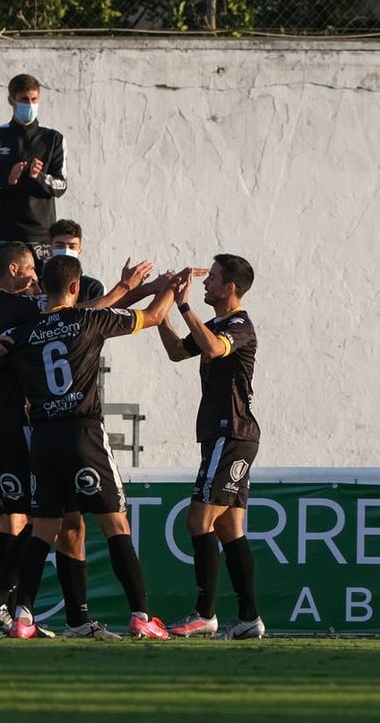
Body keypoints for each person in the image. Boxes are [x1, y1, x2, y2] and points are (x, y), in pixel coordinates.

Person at [0, 242, 154, 640]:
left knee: (63, 524)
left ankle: (74, 619)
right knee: (23, 527)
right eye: (30, 274)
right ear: (14, 271)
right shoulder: (23, 311)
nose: (36, 283)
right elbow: (75, 316)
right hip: (15, 428)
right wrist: (129, 289)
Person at [159, 255, 265, 640]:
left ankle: (205, 613)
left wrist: (184, 304)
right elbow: (177, 351)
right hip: (222, 435)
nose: (207, 283)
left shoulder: (239, 325)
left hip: (231, 434)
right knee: (229, 527)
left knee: (197, 520)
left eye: (214, 278)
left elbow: (216, 349)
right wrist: (161, 313)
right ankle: (249, 617)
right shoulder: (216, 323)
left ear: (231, 287)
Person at [0, 73, 67, 271]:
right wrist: (8, 181)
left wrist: (39, 177)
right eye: (24, 99)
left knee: (43, 295)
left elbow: (61, 185)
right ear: (11, 101)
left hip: (42, 236)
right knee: (4, 295)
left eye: (34, 99)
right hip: (5, 236)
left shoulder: (53, 138)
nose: (29, 105)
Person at [48, 218, 104, 303]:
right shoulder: (39, 284)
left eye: (72, 247)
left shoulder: (93, 287)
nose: (66, 251)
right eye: (60, 246)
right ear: (50, 249)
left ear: (79, 251)